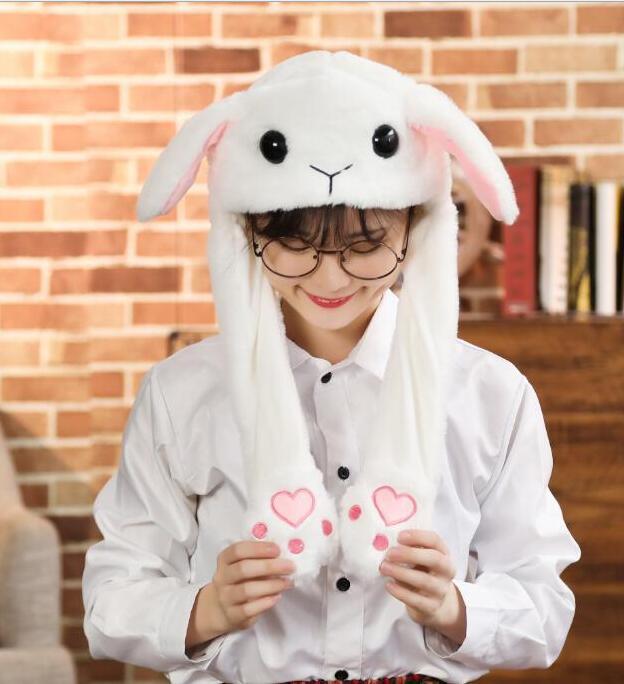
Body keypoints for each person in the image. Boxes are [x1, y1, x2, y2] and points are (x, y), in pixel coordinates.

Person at [82, 51, 581, 684]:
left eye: (364, 247)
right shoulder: (181, 395)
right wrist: (204, 610)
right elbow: (110, 598)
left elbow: (545, 607)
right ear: (247, 233)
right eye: (294, 245)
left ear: (415, 229)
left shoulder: (491, 394)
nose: (329, 279)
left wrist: (456, 608)